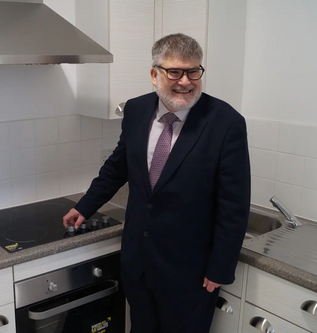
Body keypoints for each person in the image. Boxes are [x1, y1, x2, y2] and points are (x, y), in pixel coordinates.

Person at [63, 33, 250, 332]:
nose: (185, 81)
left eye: (193, 71)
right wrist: (86, 206)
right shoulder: (136, 110)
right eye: (175, 72)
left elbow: (234, 205)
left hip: (191, 273)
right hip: (139, 263)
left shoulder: (226, 123)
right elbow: (117, 166)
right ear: (154, 74)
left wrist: (220, 269)